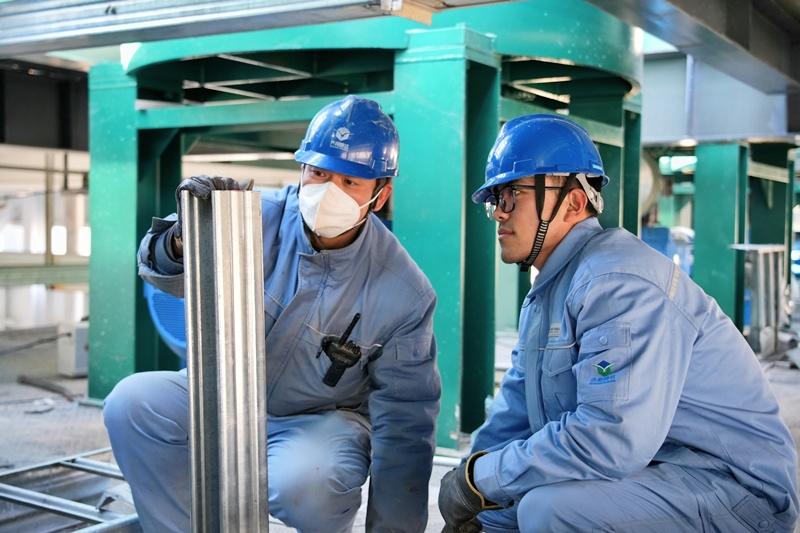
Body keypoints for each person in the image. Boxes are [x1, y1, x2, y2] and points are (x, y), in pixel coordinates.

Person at [438, 114, 798, 533]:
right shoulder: (548, 294)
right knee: (504, 511)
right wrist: (471, 486)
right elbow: (513, 416)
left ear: (574, 202)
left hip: (734, 492)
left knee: (548, 510)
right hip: (653, 476)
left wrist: (482, 479)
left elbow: (611, 437)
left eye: (512, 195)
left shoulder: (619, 283)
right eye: (495, 199)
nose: (499, 214)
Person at [103, 95, 441, 533]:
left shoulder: (404, 292)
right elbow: (158, 267)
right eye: (319, 173)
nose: (329, 192)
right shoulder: (250, 219)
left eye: (350, 181)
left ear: (380, 195)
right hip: (220, 394)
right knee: (132, 404)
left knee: (310, 483)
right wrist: (186, 237)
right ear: (301, 169)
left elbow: (406, 421)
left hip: (318, 421)